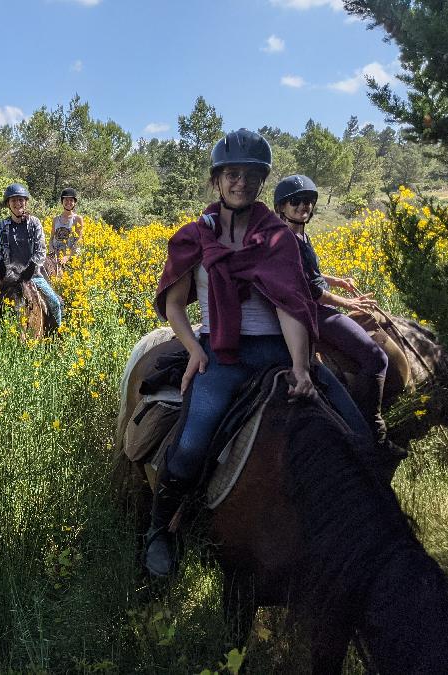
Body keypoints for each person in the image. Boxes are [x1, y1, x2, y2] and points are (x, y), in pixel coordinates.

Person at [146, 129, 374, 577]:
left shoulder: (278, 237)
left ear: (261, 181)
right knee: (190, 445)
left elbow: (291, 305)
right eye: (232, 174)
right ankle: (161, 530)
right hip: (222, 355)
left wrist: (301, 366)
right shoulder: (194, 237)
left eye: (251, 176)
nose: (241, 183)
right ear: (217, 180)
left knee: (358, 434)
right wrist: (193, 348)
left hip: (277, 351)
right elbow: (174, 303)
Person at [274, 174, 402, 459]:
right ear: (281, 207)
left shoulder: (297, 234)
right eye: (296, 201)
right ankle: (375, 435)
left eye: (309, 201)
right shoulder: (287, 240)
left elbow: (312, 275)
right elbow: (313, 292)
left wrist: (338, 281)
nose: (303, 206)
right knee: (376, 357)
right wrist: (350, 302)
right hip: (311, 312)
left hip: (312, 305)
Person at [0, 183, 63, 328]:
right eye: (13, 200)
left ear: (25, 202)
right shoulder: (2, 225)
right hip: (6, 276)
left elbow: (41, 249)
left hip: (31, 275)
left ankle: (57, 335)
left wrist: (32, 266)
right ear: (8, 204)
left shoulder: (35, 223)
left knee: (55, 303)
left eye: (21, 200)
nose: (18, 203)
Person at [49, 187, 84, 264]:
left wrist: (68, 257)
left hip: (71, 258)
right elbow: (51, 238)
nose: (68, 202)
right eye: (66, 200)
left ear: (74, 202)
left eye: (71, 200)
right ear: (62, 202)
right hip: (56, 257)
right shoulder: (55, 219)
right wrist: (51, 251)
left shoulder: (77, 219)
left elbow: (79, 241)